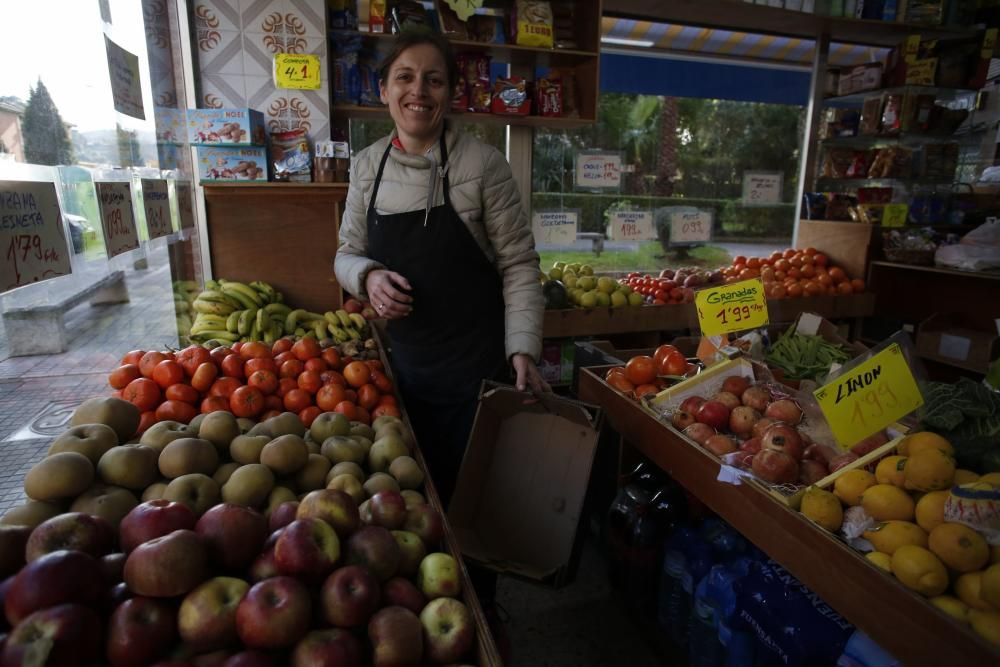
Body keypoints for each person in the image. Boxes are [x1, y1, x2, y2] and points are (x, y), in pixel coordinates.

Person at [334, 31, 550, 507]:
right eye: (405, 78)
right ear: (383, 89)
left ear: (450, 93)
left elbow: (518, 264)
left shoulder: (484, 165)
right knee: (415, 507)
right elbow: (346, 252)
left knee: (476, 506)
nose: (418, 91)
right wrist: (367, 275)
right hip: (404, 374)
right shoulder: (367, 167)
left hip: (478, 373)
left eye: (433, 80)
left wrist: (523, 349)